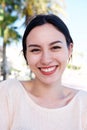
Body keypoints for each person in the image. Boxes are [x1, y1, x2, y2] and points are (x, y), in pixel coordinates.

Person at [0, 14, 87, 130]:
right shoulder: (7, 93)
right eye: (35, 50)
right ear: (26, 54)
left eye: (55, 47)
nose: (46, 60)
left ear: (70, 49)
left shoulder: (83, 104)